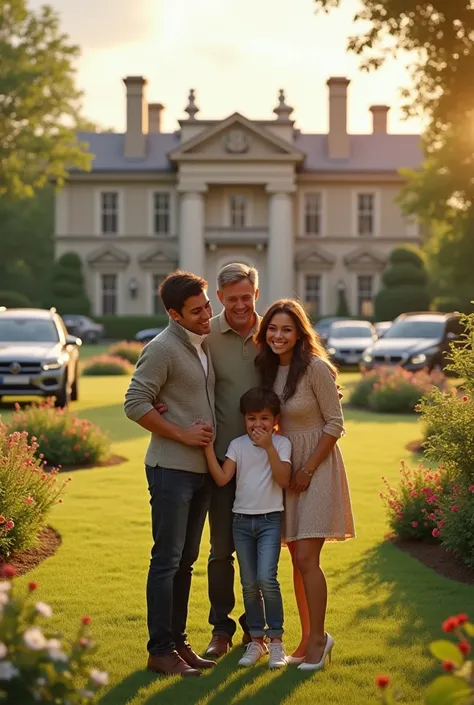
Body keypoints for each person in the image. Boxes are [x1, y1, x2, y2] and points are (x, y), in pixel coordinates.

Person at [124, 270, 217, 678]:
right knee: (166, 561)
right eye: (196, 311)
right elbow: (134, 402)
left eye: (207, 305)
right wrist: (180, 432)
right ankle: (160, 650)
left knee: (186, 561)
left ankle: (178, 644)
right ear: (174, 314)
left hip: (199, 472)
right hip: (169, 470)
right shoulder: (162, 348)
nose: (206, 315)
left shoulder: (202, 343)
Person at [254, 299, 355, 672]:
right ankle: (306, 637)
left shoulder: (315, 368)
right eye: (272, 329)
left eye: (286, 329)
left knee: (309, 559)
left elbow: (335, 423)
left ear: (299, 333)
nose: (278, 336)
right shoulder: (267, 370)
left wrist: (308, 469)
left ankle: (319, 639)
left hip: (316, 466)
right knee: (296, 560)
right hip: (286, 466)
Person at [204, 387, 291, 669]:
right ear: (244, 419)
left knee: (267, 579)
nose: (258, 425)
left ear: (275, 419)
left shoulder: (281, 444)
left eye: (264, 418)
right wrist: (207, 448)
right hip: (241, 522)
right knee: (249, 584)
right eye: (252, 418)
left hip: (269, 521)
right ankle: (256, 641)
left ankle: (276, 641)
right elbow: (221, 479)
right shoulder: (237, 445)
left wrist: (268, 447)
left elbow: (284, 479)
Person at [203, 263, 261, 657]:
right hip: (222, 464)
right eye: (232, 299)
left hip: (265, 465)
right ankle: (220, 631)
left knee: (260, 553)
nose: (240, 305)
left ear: (256, 293)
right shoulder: (205, 335)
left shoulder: (273, 331)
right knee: (221, 550)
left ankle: (256, 631)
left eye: (246, 297)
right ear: (220, 298)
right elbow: (178, 372)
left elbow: (306, 364)